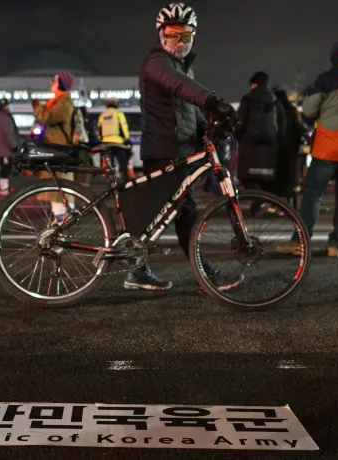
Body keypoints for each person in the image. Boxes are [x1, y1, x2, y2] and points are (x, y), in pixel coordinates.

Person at [123, 3, 240, 292]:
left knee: (159, 214)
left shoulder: (180, 65)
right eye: (173, 35)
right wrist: (213, 101)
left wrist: (207, 126)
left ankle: (136, 270)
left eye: (185, 36)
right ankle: (206, 277)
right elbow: (180, 86)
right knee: (184, 215)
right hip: (165, 149)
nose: (179, 42)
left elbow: (187, 106)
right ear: (161, 34)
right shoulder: (157, 62)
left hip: (176, 148)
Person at [277, 39, 338, 258]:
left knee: (312, 194)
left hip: (327, 148)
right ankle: (335, 244)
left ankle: (300, 240)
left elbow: (309, 110)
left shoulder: (327, 79)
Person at [235, 72, 286, 215]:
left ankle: (259, 202)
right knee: (264, 180)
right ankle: (258, 205)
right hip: (270, 148)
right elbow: (282, 125)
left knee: (246, 177)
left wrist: (238, 138)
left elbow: (239, 123)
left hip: (249, 146)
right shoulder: (276, 101)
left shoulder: (248, 99)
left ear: (254, 83)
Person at [32, 71, 77, 220]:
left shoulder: (64, 102)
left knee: (59, 188)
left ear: (61, 84)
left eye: (54, 81)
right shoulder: (57, 101)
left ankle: (64, 221)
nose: (51, 83)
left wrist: (37, 107)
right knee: (56, 189)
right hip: (54, 149)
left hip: (59, 150)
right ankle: (61, 220)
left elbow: (48, 118)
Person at [273, 87, 308, 207]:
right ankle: (293, 205)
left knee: (279, 179)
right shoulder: (293, 111)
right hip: (293, 150)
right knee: (292, 179)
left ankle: (278, 205)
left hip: (279, 150)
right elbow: (300, 129)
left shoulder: (275, 111)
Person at [97, 98, 133, 179]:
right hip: (118, 142)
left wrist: (101, 140)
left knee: (110, 165)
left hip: (106, 143)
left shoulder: (102, 115)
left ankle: (112, 182)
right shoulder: (118, 113)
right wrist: (127, 138)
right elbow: (124, 126)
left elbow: (99, 129)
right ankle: (126, 181)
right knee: (123, 163)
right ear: (116, 105)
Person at [0, 98, 21, 195]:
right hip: (5, 149)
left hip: (2, 148)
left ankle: (4, 187)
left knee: (5, 168)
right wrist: (14, 146)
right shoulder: (4, 117)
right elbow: (8, 133)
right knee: (5, 168)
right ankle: (4, 188)